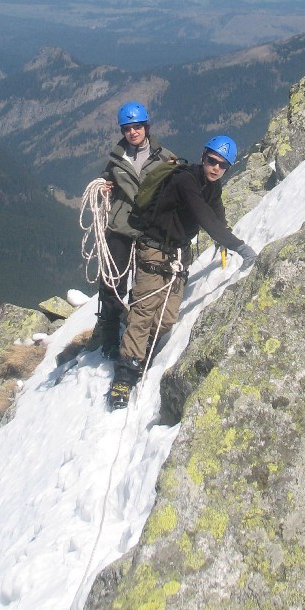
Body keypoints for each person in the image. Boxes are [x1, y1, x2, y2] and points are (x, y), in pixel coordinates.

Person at [107, 134, 259, 410]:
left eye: (222, 165)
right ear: (203, 157)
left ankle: (143, 350)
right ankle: (125, 372)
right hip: (153, 250)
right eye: (212, 160)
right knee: (144, 312)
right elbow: (203, 216)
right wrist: (240, 247)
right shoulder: (185, 180)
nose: (215, 168)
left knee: (166, 318)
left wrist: (224, 241)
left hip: (178, 255)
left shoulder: (212, 187)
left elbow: (216, 214)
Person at [85, 101, 177, 358]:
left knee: (144, 284)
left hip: (151, 228)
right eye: (127, 128)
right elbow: (108, 178)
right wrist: (105, 185)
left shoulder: (164, 157)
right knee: (113, 283)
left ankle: (135, 331)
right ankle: (110, 335)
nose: (133, 132)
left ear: (146, 127)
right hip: (122, 225)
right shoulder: (117, 158)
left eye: (137, 127)